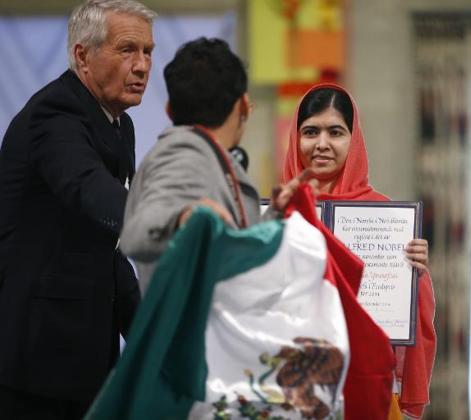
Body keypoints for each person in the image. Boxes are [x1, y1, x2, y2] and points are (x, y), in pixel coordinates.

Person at [0, 0, 155, 417]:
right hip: (36, 360)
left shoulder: (120, 123)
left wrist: (146, 332)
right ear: (82, 55)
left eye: (148, 52)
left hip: (88, 355)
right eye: (127, 50)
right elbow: (88, 188)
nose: (142, 66)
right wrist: (169, 225)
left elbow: (107, 245)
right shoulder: (55, 112)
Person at [282, 83, 436, 419]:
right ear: (296, 139)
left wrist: (414, 277)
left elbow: (407, 326)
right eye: (310, 132)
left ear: (353, 140)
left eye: (335, 132)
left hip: (368, 392)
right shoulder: (276, 216)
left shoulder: (388, 219)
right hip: (289, 389)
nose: (322, 144)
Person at [119, 37, 310, 292]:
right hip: (196, 331)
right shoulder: (183, 156)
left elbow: (229, 251)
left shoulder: (209, 155)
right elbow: (136, 236)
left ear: (169, 110)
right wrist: (181, 219)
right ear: (243, 105)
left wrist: (273, 213)